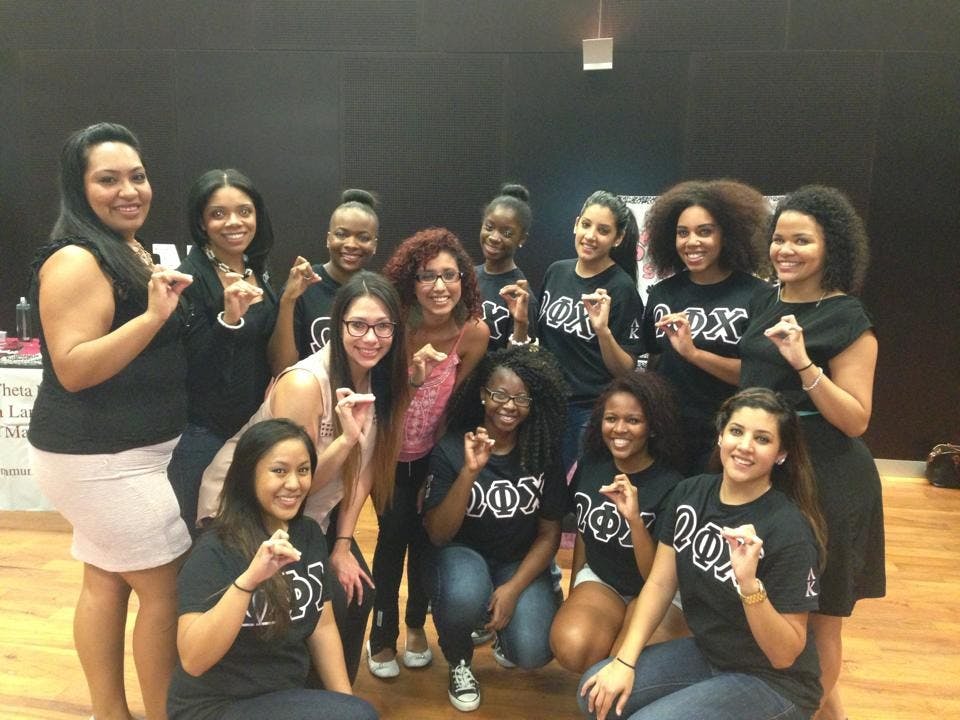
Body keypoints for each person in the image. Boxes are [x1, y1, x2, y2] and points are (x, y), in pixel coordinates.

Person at [27, 122, 193, 720]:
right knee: (164, 587)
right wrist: (151, 318)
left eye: (138, 176)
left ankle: (110, 713)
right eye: (108, 179)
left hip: (125, 454)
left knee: (105, 579)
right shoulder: (76, 258)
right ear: (79, 188)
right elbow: (72, 367)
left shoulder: (127, 247)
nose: (129, 190)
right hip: (99, 459)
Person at [197, 271, 407, 684]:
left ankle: (330, 700)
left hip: (307, 518)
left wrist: (343, 545)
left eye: (383, 326)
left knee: (356, 591)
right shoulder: (306, 382)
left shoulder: (378, 380)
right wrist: (347, 440)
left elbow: (362, 477)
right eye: (358, 325)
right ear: (337, 325)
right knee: (298, 600)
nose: (371, 337)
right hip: (247, 511)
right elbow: (292, 481)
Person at [579, 388, 827, 720]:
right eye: (737, 431)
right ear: (721, 435)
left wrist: (749, 585)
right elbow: (660, 584)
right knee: (595, 694)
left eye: (763, 439)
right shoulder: (690, 493)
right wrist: (624, 661)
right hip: (711, 654)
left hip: (773, 682)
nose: (744, 446)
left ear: (781, 453)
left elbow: (784, 655)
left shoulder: (789, 529)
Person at [739, 185, 884, 720]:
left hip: (829, 482)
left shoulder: (849, 318)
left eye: (802, 240)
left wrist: (805, 364)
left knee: (821, 616)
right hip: (773, 475)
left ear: (831, 248)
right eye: (779, 239)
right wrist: (692, 352)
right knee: (784, 603)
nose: (786, 250)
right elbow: (755, 373)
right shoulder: (767, 298)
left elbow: (855, 417)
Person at [168, 419, 378, 720]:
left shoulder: (308, 534)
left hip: (281, 695)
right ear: (248, 475)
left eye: (303, 470)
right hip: (216, 706)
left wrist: (345, 700)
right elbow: (193, 660)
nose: (294, 484)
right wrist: (249, 580)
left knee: (355, 714)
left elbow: (323, 626)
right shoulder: (214, 550)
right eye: (279, 470)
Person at [366, 228, 490, 679]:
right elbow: (378, 399)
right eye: (426, 276)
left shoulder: (474, 334)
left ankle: (416, 624)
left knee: (424, 540)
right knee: (391, 537)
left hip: (430, 456)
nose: (439, 286)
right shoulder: (394, 325)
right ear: (410, 282)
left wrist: (437, 466)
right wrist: (411, 380)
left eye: (449, 275)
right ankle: (381, 634)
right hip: (384, 454)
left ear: (464, 280)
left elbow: (452, 405)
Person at [422, 346, 568, 711]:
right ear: (483, 394)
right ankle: (459, 660)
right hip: (463, 556)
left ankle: (503, 630)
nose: (509, 405)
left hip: (517, 561)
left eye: (521, 398)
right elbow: (438, 534)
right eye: (499, 394)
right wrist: (469, 472)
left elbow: (550, 534)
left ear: (534, 403)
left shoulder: (542, 451)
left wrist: (514, 589)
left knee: (533, 652)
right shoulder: (453, 448)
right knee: (463, 594)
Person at [169, 168, 283, 536]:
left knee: (247, 539)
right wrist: (229, 318)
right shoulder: (190, 279)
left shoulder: (256, 269)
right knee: (201, 540)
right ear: (201, 223)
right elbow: (195, 366)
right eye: (218, 213)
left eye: (244, 211)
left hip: (252, 430)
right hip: (203, 435)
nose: (234, 222)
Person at [550, 372, 686, 674]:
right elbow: (584, 533)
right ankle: (612, 628)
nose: (620, 429)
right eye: (611, 418)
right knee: (573, 647)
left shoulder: (673, 485)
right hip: (605, 581)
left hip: (656, 590)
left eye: (633, 421)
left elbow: (656, 576)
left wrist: (635, 520)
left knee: (623, 664)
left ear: (652, 427)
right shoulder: (592, 465)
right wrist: (576, 592)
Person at [507, 190, 644, 473]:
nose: (591, 235)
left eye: (603, 230)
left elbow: (626, 370)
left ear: (617, 239)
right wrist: (520, 323)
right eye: (586, 224)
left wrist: (602, 331)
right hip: (544, 402)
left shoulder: (622, 288)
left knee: (575, 492)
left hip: (587, 411)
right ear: (575, 224)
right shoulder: (557, 271)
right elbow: (539, 346)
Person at [642, 179, 771, 473]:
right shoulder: (662, 294)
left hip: (728, 436)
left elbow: (757, 374)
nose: (692, 242)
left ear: (727, 235)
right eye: (682, 233)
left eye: (705, 232)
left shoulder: (757, 296)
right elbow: (654, 359)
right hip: (669, 432)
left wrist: (694, 354)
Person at [268, 189, 380, 372]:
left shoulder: (377, 293)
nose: (351, 244)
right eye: (342, 234)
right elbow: (281, 368)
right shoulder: (303, 286)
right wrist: (288, 300)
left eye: (363, 237)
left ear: (374, 245)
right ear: (328, 239)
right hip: (307, 396)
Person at [474, 183, 540, 351]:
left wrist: (520, 323)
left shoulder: (521, 296)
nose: (494, 237)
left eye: (507, 233)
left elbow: (521, 361)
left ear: (522, 239)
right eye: (489, 227)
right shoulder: (469, 276)